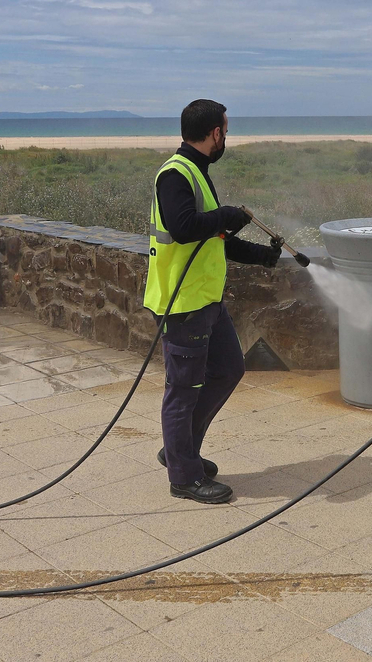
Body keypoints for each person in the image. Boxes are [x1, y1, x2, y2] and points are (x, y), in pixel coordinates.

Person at [144, 99, 282, 504]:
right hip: (181, 303)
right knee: (183, 389)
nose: (227, 137)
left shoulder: (197, 173)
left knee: (227, 369)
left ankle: (178, 450)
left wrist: (260, 255)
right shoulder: (175, 174)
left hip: (206, 299)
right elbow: (184, 228)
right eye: (226, 130)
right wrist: (224, 216)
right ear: (215, 134)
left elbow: (212, 239)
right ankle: (184, 477)